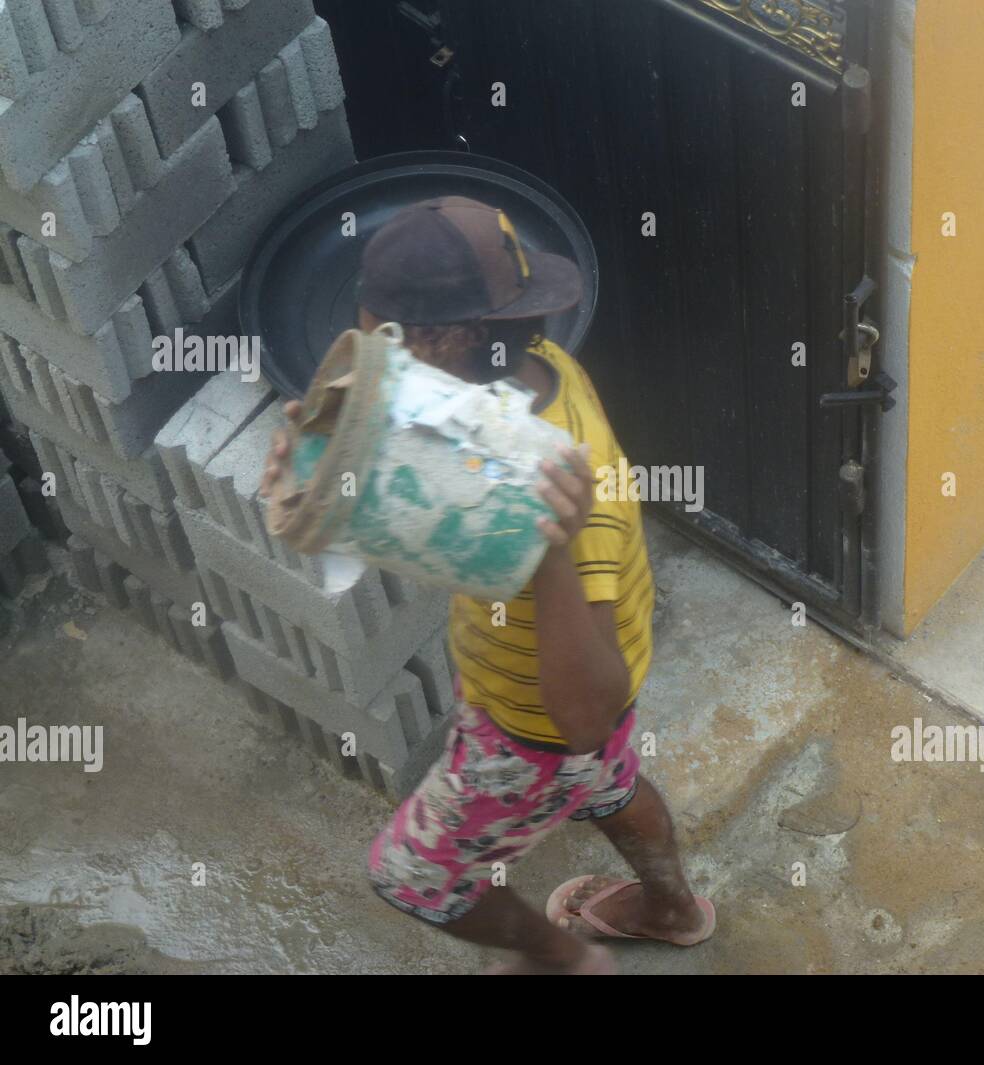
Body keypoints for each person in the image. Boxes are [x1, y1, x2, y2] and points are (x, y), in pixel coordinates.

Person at [260, 196, 713, 974]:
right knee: (606, 778)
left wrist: (549, 560)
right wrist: (322, 459)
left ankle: (563, 959)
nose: (372, 353)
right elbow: (426, 484)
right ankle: (673, 906)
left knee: (410, 877)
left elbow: (582, 715)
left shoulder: (571, 488)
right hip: (585, 686)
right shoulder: (528, 378)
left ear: (442, 340)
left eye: (379, 337)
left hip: (531, 727)